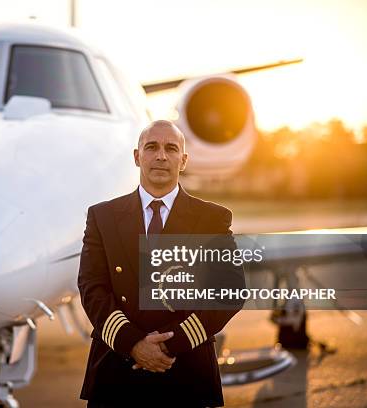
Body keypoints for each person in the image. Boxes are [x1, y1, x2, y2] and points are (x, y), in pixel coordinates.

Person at [78, 120, 245, 407]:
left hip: (186, 370)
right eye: (151, 147)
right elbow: (92, 288)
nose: (161, 156)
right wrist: (133, 344)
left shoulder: (212, 219)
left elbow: (229, 292)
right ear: (136, 156)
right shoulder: (102, 217)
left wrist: (168, 345)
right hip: (116, 372)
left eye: (171, 148)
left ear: (183, 160)